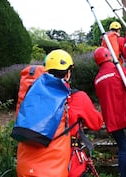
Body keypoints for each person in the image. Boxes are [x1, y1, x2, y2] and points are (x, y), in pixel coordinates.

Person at [16, 49, 103, 177]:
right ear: (68, 74)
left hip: (27, 168)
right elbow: (97, 123)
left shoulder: (31, 98)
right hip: (66, 165)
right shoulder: (78, 97)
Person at [93, 47, 126, 177]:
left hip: (112, 118)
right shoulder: (119, 71)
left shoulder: (97, 80)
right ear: (109, 56)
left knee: (122, 147)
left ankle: (124, 175)